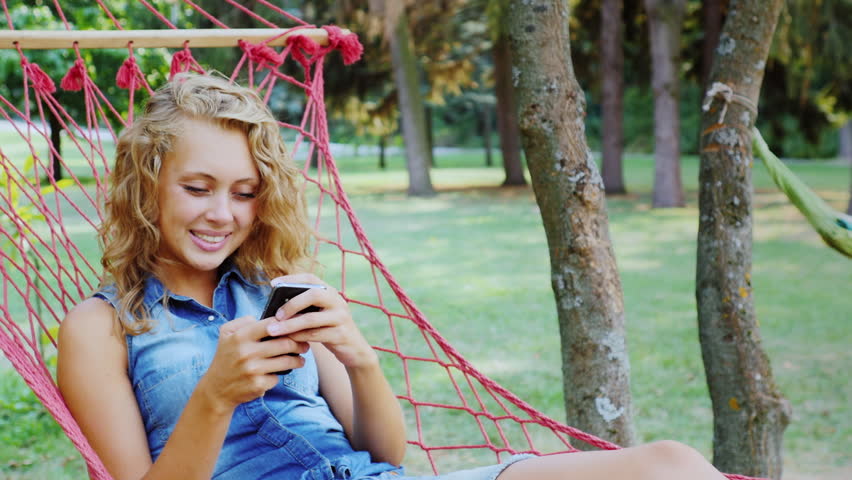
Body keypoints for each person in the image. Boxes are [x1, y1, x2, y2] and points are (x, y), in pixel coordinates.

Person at [57, 73, 729, 480]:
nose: (222, 214)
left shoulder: (276, 291)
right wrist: (214, 397)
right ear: (147, 190)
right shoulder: (101, 329)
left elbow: (389, 454)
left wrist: (359, 357)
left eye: (243, 191)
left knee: (672, 465)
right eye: (197, 188)